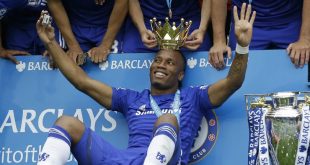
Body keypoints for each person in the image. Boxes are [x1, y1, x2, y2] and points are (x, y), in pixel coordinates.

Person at [36, 3, 255, 165]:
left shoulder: (193, 97)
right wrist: (51, 42)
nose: (160, 65)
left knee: (167, 119)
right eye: (157, 60)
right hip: (126, 160)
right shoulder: (131, 98)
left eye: (169, 63)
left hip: (168, 160)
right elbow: (81, 81)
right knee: (67, 123)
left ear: (180, 75)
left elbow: (233, 82)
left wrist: (242, 46)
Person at [210, 0, 310, 70]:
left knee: (299, 67)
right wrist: (219, 41)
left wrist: (305, 39)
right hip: (245, 22)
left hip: (290, 20)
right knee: (240, 76)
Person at [47, 0, 127, 65]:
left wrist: (105, 45)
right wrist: (73, 46)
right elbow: (54, 3)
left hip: (107, 26)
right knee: (74, 65)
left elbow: (122, 2)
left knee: (112, 65)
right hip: (76, 28)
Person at [122, 0, 211, 53]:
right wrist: (142, 29)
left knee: (201, 51)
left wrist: (202, 29)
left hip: (188, 19)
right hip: (146, 19)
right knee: (132, 53)